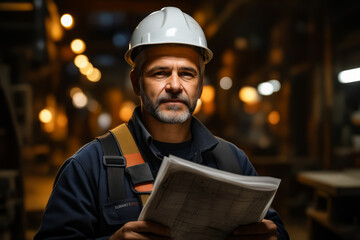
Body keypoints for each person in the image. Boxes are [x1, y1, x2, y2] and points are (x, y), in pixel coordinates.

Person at [35, 6, 289, 240]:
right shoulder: (89, 166)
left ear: (200, 85)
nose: (175, 85)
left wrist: (273, 235)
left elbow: (276, 230)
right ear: (136, 83)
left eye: (187, 73)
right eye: (160, 72)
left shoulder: (233, 161)